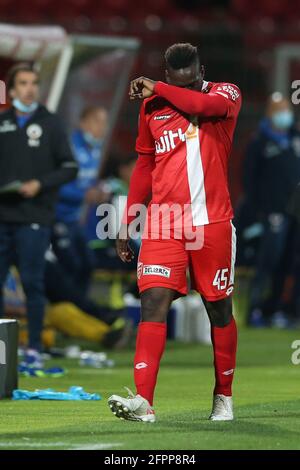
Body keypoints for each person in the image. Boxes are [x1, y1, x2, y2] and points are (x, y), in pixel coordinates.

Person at [108, 43, 242, 422]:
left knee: (218, 308)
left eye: (196, 76)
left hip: (212, 222)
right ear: (168, 75)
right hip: (164, 223)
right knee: (152, 303)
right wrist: (127, 218)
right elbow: (144, 164)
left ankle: (223, 395)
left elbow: (202, 107)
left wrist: (157, 87)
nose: (193, 84)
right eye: (180, 80)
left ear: (203, 69)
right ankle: (143, 402)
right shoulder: (151, 107)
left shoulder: (224, 93)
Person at [0, 62, 78, 366]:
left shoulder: (52, 124)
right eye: (22, 83)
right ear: (12, 88)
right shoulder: (2, 122)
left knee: (33, 284)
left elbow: (70, 168)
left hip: (34, 218)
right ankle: (4, 352)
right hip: (2, 216)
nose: (29, 88)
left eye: (34, 83)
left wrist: (39, 184)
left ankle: (33, 348)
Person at [243, 92, 300, 327]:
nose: (284, 114)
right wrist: (258, 210)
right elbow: (249, 179)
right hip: (272, 211)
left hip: (294, 211)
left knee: (289, 261)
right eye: (279, 109)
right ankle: (254, 309)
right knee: (269, 260)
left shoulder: (294, 139)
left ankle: (278, 309)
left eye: (286, 109)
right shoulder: (259, 142)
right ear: (269, 113)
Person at [54, 105, 108, 295]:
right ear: (83, 123)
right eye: (97, 121)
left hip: (75, 219)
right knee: (71, 265)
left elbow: (88, 181)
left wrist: (98, 190)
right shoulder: (69, 146)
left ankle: (78, 308)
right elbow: (55, 184)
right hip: (56, 217)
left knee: (88, 263)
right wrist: (83, 195)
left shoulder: (96, 149)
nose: (101, 127)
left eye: (104, 123)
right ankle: (65, 307)